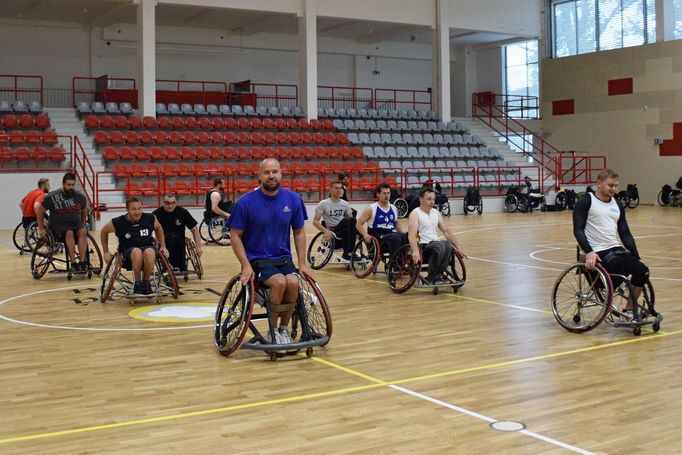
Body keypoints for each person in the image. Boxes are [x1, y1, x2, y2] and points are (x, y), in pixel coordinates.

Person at [228, 158, 311, 347]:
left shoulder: (292, 199)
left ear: (281, 173)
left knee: (293, 282)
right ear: (259, 175)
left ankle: (283, 329)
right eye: (267, 172)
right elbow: (235, 236)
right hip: (257, 259)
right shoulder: (246, 202)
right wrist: (246, 266)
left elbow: (299, 232)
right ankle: (272, 329)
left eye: (275, 172)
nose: (271, 176)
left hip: (282, 258)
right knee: (280, 282)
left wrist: (303, 263)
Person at [573, 169, 649, 314]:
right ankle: (607, 288)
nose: (613, 189)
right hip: (594, 250)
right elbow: (578, 230)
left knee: (642, 271)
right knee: (616, 263)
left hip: (614, 248)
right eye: (610, 185)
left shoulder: (618, 205)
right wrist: (589, 252)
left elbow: (625, 233)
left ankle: (629, 309)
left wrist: (636, 256)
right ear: (599, 183)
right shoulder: (586, 202)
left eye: (616, 186)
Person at [100, 196, 168, 295]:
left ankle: (146, 282)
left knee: (149, 251)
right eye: (134, 209)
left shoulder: (150, 218)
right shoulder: (118, 222)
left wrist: (163, 246)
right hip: (127, 252)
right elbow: (104, 232)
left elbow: (159, 228)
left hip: (147, 248)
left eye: (139, 208)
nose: (137, 212)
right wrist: (106, 252)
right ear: (127, 209)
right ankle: (137, 283)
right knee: (137, 251)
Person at [408, 187, 466, 284]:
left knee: (447, 244)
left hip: (434, 243)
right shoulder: (415, 213)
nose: (432, 202)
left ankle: (438, 274)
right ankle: (432, 276)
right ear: (421, 199)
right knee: (439, 246)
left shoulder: (436, 213)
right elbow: (411, 234)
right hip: (422, 245)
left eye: (433, 199)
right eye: (429, 199)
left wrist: (458, 247)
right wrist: (414, 250)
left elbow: (446, 231)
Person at [35, 172, 89, 272]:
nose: (71, 187)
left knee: (83, 231)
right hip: (58, 227)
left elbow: (84, 210)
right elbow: (39, 210)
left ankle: (82, 263)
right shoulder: (52, 196)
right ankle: (73, 263)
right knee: (69, 232)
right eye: (68, 185)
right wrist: (41, 228)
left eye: (73, 185)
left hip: (75, 224)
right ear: (63, 184)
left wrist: (82, 223)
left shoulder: (80, 196)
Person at [152, 193, 202, 272]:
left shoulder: (183, 212)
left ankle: (179, 266)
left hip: (179, 240)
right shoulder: (156, 214)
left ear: (176, 202)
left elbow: (194, 229)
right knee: (169, 239)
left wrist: (198, 246)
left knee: (177, 240)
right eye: (167, 203)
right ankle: (169, 266)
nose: (170, 206)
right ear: (163, 202)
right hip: (163, 241)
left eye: (173, 203)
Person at [356, 182, 408, 257]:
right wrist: (365, 235)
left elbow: (396, 223)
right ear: (378, 194)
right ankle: (392, 265)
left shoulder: (393, 208)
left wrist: (403, 235)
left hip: (391, 234)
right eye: (384, 193)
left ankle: (400, 262)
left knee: (404, 236)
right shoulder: (371, 208)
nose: (386, 196)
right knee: (395, 237)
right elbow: (358, 224)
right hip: (378, 236)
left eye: (388, 193)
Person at [312, 181, 357, 260]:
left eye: (340, 188)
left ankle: (350, 252)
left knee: (352, 220)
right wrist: (326, 231)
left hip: (344, 232)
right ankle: (348, 253)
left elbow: (352, 221)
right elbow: (315, 222)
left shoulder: (345, 204)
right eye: (336, 188)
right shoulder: (323, 203)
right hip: (333, 231)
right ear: (330, 189)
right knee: (347, 220)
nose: (338, 190)